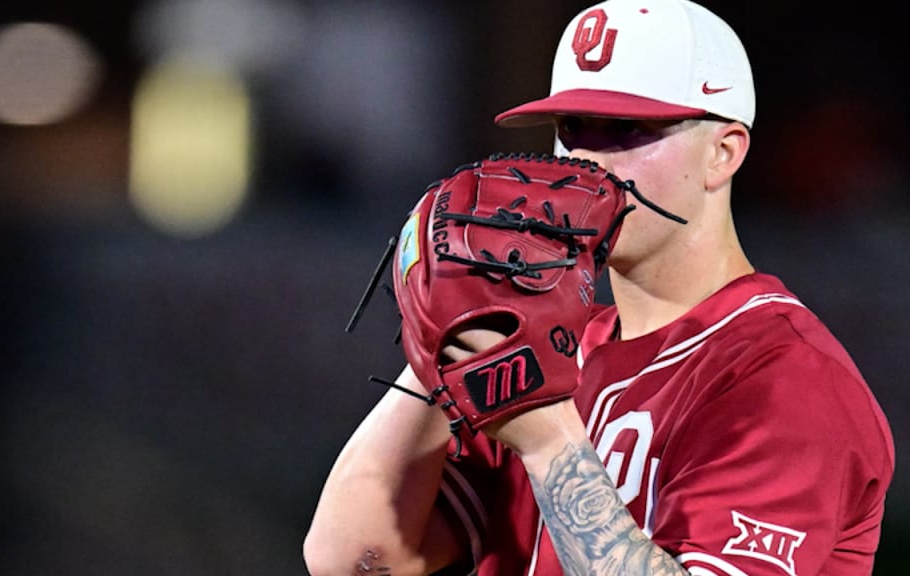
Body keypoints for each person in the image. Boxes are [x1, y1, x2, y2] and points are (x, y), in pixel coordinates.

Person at [303, 0, 895, 574]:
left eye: (627, 129)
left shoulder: (785, 378)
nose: (587, 160)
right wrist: (444, 333)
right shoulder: (550, 344)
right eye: (573, 127)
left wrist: (547, 441)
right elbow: (352, 558)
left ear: (723, 152)